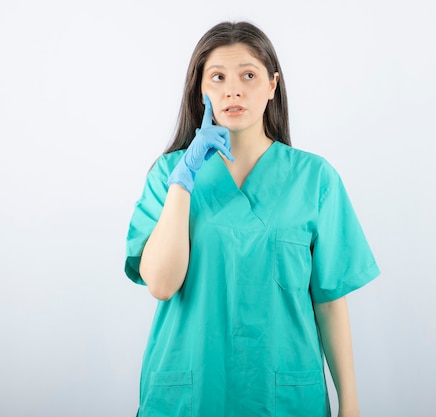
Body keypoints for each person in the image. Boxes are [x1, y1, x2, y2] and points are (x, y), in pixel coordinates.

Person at [124, 20, 379, 417]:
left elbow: (329, 301)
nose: (233, 89)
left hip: (284, 395)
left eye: (248, 75)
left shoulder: (315, 179)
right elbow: (160, 284)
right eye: (218, 77)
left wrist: (351, 403)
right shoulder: (169, 175)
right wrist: (183, 182)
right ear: (200, 89)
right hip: (190, 392)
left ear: (273, 85)